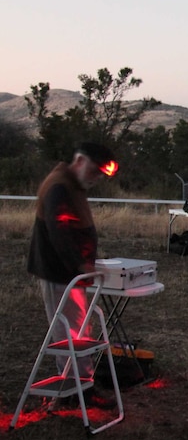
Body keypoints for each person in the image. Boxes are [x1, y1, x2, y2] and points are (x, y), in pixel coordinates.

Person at [28, 142, 119, 409]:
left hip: (70, 274)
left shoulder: (71, 185)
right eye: (94, 171)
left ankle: (81, 387)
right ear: (79, 161)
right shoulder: (59, 186)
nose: (96, 178)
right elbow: (60, 231)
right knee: (69, 333)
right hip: (61, 274)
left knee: (78, 329)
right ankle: (75, 392)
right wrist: (80, 265)